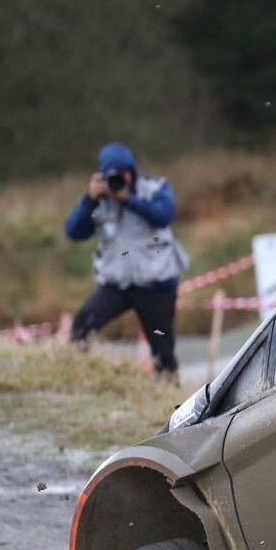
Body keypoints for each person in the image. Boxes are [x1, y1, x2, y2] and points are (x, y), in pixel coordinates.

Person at [65, 142, 189, 381]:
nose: (121, 180)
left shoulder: (155, 188)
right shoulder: (99, 199)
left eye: (124, 173)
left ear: (132, 170)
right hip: (116, 284)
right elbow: (74, 232)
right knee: (81, 326)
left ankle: (167, 395)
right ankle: (76, 378)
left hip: (156, 284)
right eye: (114, 175)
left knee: (163, 352)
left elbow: (164, 215)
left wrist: (128, 200)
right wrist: (88, 200)